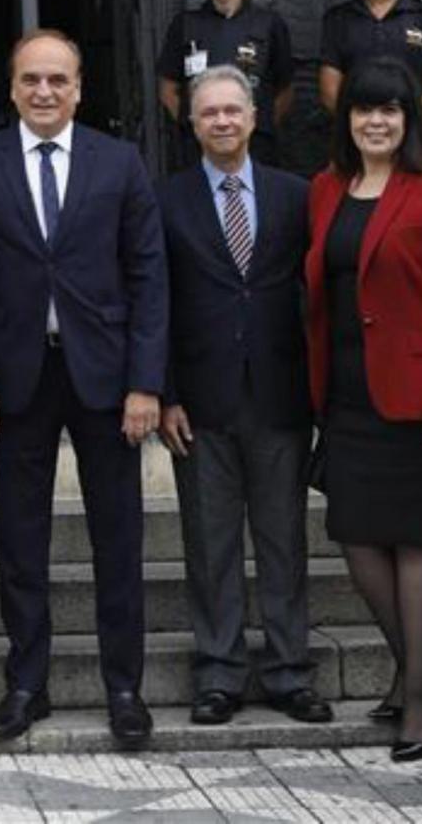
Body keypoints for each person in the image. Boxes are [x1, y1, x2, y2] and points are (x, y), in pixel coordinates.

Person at [0, 29, 167, 750]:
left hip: (105, 379)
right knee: (19, 539)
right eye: (31, 80)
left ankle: (124, 687)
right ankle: (26, 683)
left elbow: (148, 277)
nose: (44, 92)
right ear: (12, 88)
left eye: (58, 80)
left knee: (119, 537)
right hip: (14, 381)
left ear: (79, 87)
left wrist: (145, 382)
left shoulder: (119, 162)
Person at [305, 55, 422, 761]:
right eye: (362, 108)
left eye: (389, 109)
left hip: (420, 399)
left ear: (409, 118)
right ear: (347, 117)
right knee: (356, 536)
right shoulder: (327, 188)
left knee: (416, 541)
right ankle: (419, 663)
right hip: (348, 394)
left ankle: (417, 698)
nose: (375, 120)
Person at [155, 66, 332, 727]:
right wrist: (164, 392)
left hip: (282, 395)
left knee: (284, 538)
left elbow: (316, 295)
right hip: (198, 402)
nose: (223, 122)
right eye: (210, 113)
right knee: (211, 540)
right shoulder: (165, 199)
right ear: (193, 124)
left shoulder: (297, 196)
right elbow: (156, 302)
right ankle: (219, 671)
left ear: (255, 118)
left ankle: (290, 672)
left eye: (234, 110)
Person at [157, 0, 295, 167]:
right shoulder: (185, 24)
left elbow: (285, 89)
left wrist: (255, 124)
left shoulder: (268, 24)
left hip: (256, 147)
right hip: (198, 149)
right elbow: (168, 89)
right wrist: (198, 124)